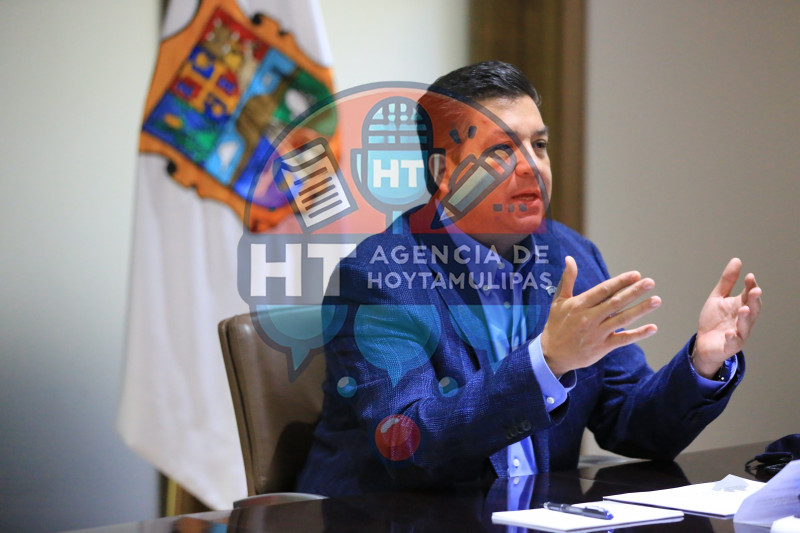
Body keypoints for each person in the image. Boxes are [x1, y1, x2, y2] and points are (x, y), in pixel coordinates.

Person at [295, 61, 762, 497]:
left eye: (538, 145)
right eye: (501, 149)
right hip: (392, 518)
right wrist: (546, 361)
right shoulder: (377, 277)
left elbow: (632, 425)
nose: (531, 166)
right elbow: (411, 446)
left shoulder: (570, 258)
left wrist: (703, 363)